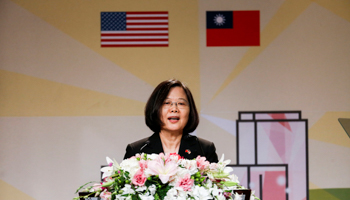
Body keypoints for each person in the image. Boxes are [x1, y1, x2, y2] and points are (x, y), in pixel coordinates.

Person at [123, 79, 218, 163]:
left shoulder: (205, 149)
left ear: (190, 111)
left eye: (181, 103)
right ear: (155, 109)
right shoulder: (136, 151)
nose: (174, 109)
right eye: (166, 103)